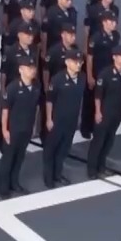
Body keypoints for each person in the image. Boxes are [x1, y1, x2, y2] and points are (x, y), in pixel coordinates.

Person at [85, 47, 121, 179]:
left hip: (117, 112)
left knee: (109, 141)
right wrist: (98, 112)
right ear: (114, 57)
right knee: (98, 142)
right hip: (105, 112)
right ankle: (92, 170)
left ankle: (101, 166)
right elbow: (98, 95)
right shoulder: (105, 74)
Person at [0, 57, 40, 198]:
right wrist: (5, 130)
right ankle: (4, 189)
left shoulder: (36, 86)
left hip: (26, 129)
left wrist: (33, 126)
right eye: (29, 68)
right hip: (13, 130)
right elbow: (5, 110)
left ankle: (14, 183)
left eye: (33, 68)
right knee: (8, 159)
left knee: (19, 157)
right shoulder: (13, 88)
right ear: (21, 69)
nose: (32, 71)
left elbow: (36, 108)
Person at [43, 49, 85, 188]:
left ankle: (57, 174)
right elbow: (49, 100)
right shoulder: (57, 79)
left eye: (80, 62)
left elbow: (80, 99)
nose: (78, 64)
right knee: (51, 150)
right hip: (57, 121)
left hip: (71, 121)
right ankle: (48, 178)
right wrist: (49, 119)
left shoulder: (82, 78)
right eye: (75, 62)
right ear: (67, 62)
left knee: (64, 149)